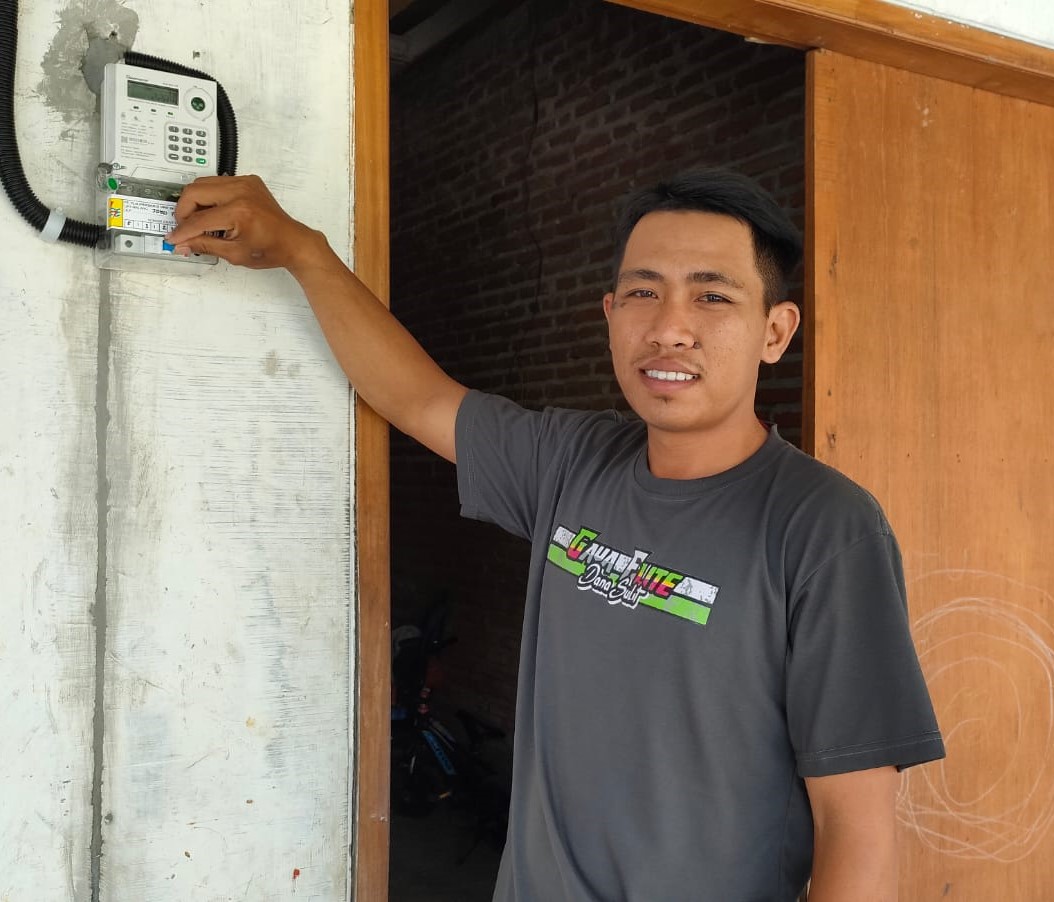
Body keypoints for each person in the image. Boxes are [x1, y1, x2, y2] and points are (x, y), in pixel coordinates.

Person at [166, 169, 945, 902]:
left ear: (775, 331)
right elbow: (416, 398)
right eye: (643, 292)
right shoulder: (572, 462)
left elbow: (856, 825)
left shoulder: (823, 526)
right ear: (609, 314)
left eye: (712, 296)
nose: (669, 328)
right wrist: (304, 253)